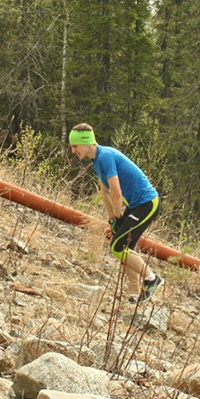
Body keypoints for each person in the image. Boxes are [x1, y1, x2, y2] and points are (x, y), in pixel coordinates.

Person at [69, 123, 163, 303]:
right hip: (136, 205)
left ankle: (152, 279)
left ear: (86, 142)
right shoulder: (96, 161)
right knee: (124, 247)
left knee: (117, 247)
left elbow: (116, 192)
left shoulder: (105, 156)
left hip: (147, 203)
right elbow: (103, 192)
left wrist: (119, 215)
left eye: (75, 146)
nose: (73, 151)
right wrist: (112, 217)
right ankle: (134, 294)